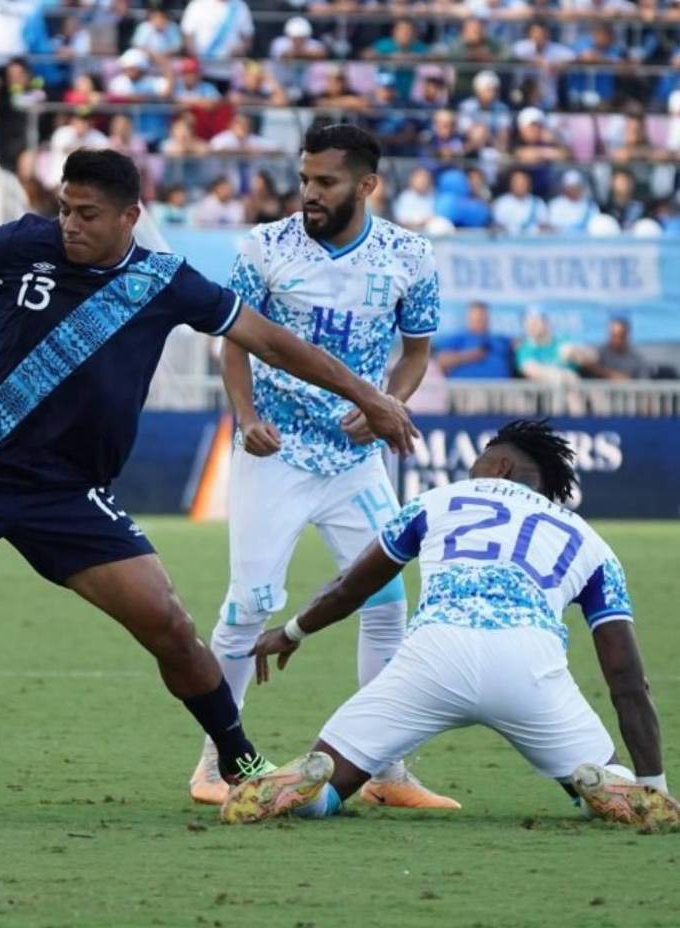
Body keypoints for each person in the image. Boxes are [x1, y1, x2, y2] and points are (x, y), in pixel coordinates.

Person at [0, 148, 418, 813]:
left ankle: (241, 763)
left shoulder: (165, 281)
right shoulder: (27, 240)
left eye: (87, 214)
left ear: (130, 216)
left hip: (66, 494)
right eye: (64, 208)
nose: (69, 224)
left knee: (170, 625)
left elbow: (272, 341)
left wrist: (368, 394)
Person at [230, 421, 679, 832]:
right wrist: (655, 784)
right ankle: (618, 787)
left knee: (327, 779)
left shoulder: (436, 501)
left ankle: (305, 789)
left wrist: (291, 632)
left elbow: (350, 588)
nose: (473, 466)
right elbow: (627, 678)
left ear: (500, 466)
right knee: (600, 781)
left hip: (433, 658)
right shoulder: (590, 542)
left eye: (481, 456)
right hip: (530, 670)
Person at [188, 124, 457, 811]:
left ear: (367, 185)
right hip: (276, 453)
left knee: (388, 600)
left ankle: (386, 768)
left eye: (326, 182)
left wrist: (387, 404)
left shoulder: (409, 255)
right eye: (305, 179)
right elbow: (233, 339)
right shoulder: (265, 247)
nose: (309, 193)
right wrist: (246, 416)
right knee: (248, 604)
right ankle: (216, 762)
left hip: (355, 460)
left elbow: (417, 350)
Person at [435, 301, 515, 379]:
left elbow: (518, 347)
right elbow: (441, 360)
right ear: (469, 318)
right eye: (476, 316)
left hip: (501, 389)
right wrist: (470, 355)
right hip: (464, 389)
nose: (480, 319)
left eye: (482, 316)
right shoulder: (458, 338)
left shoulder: (499, 340)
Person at [590, 316, 650, 380]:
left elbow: (643, 382)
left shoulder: (635, 359)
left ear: (625, 336)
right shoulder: (600, 353)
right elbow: (591, 367)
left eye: (617, 336)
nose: (613, 339)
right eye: (612, 335)